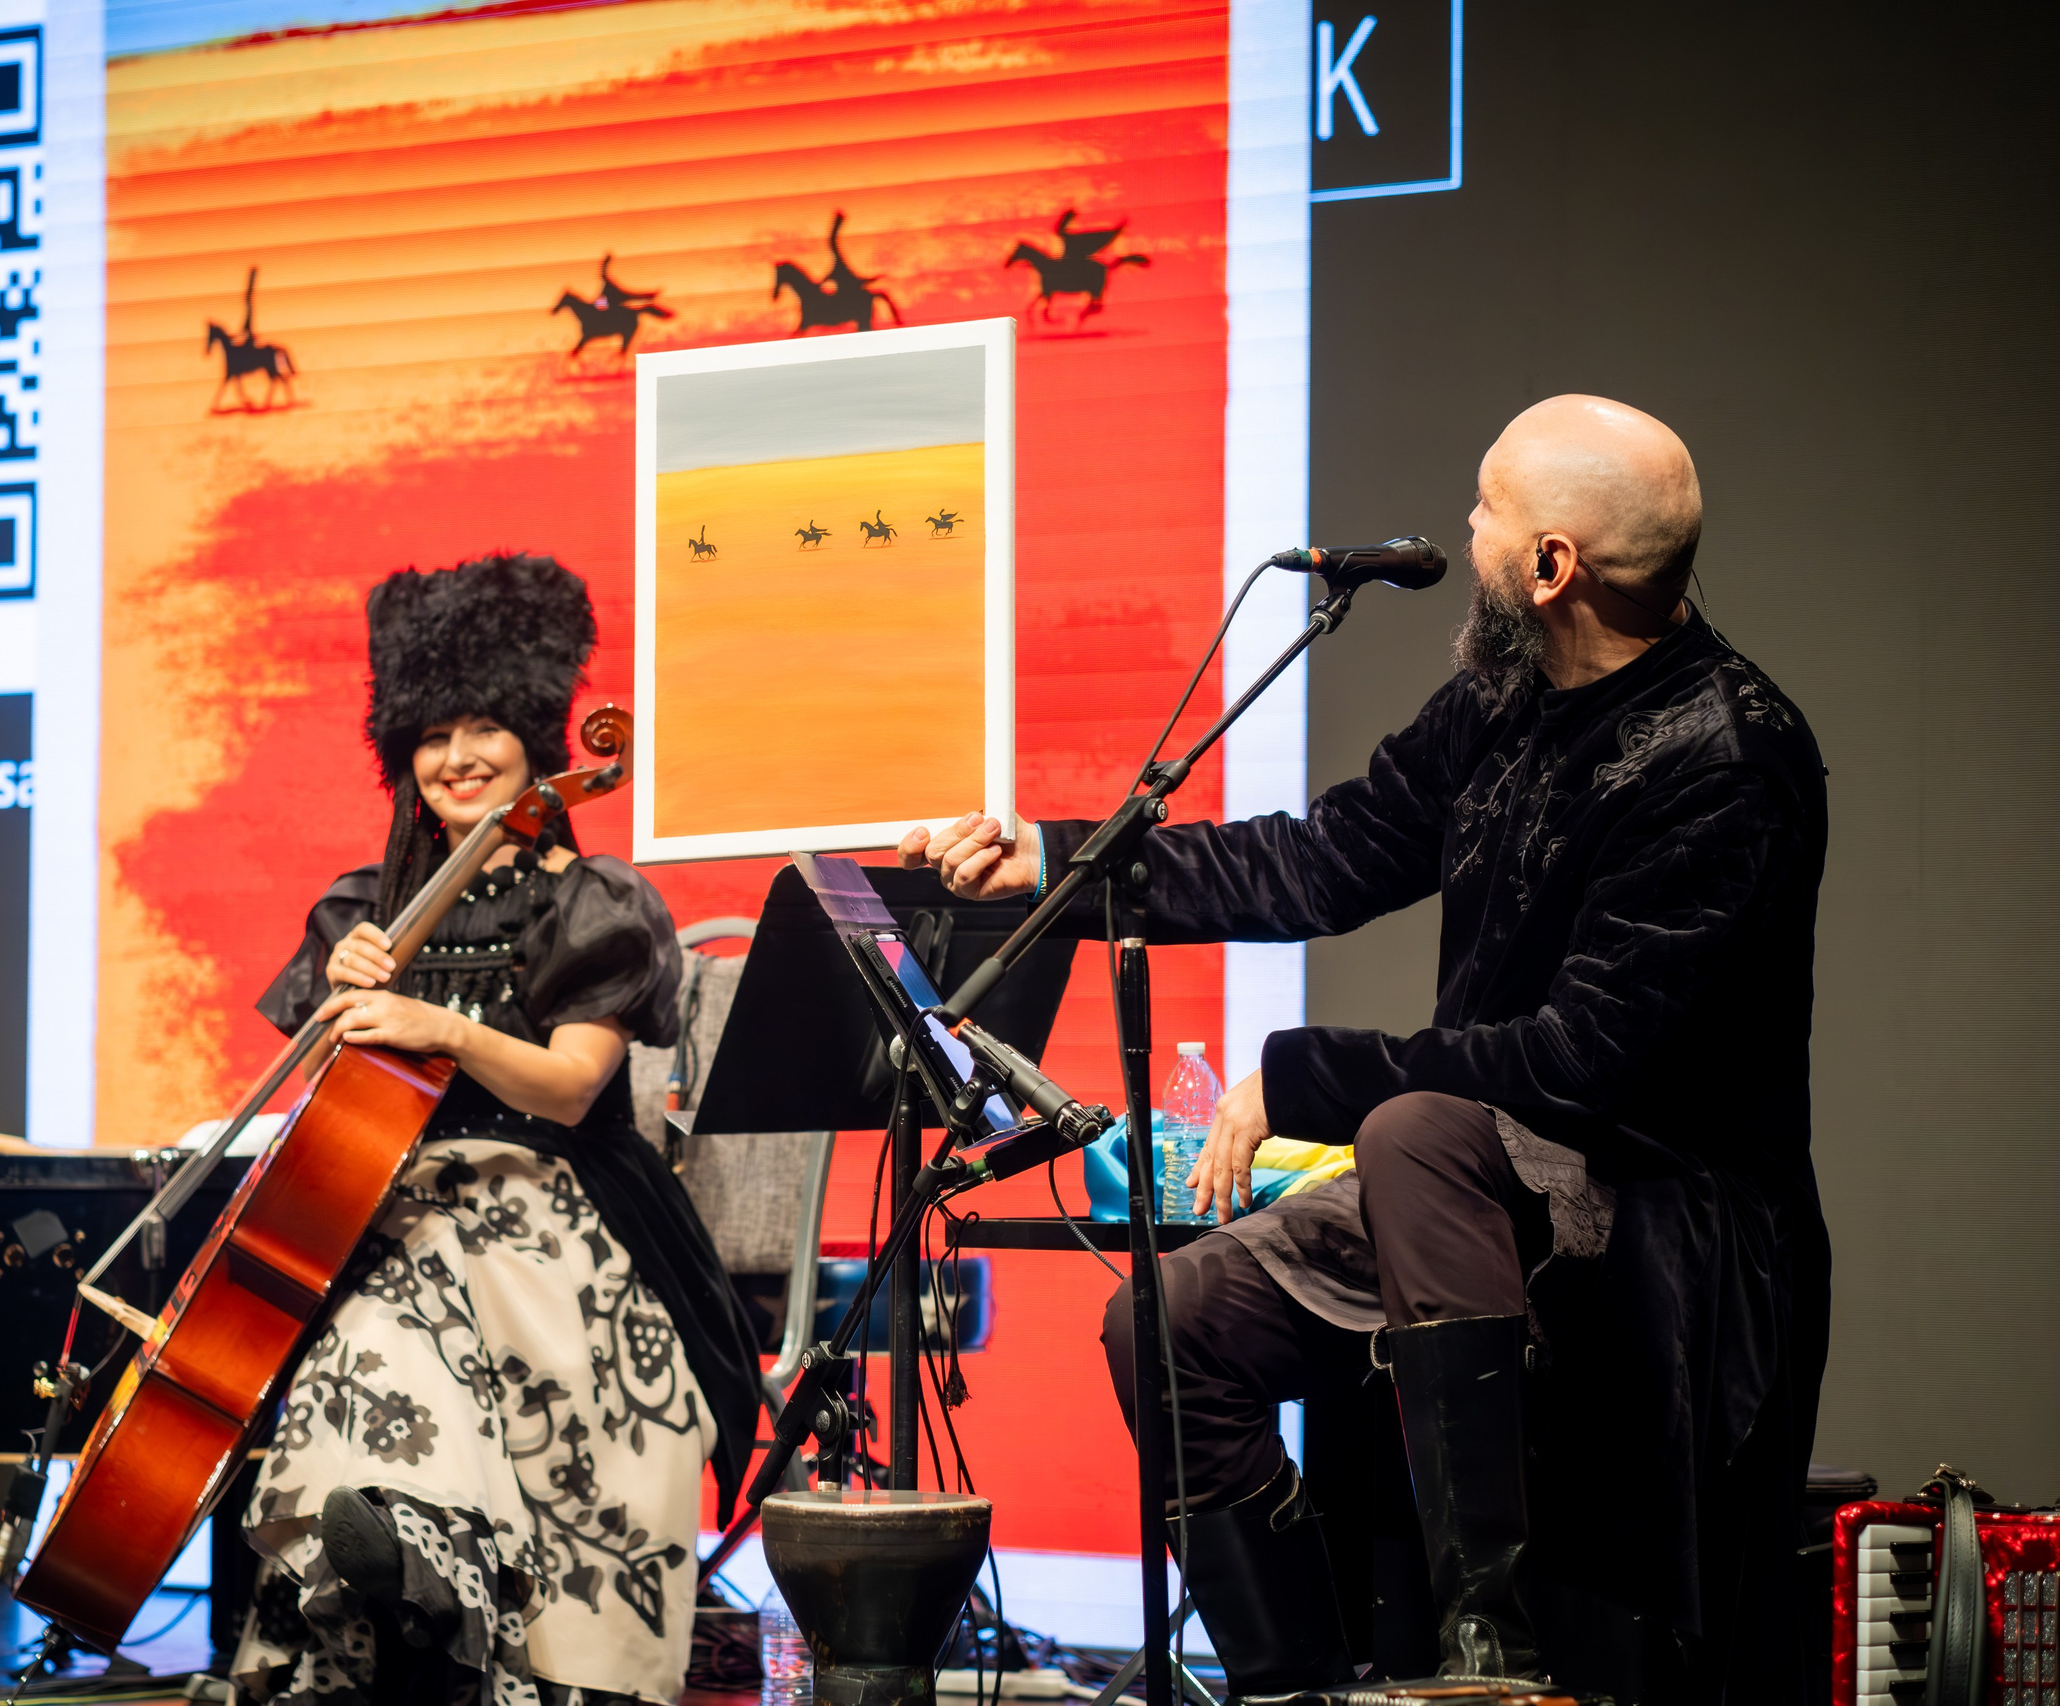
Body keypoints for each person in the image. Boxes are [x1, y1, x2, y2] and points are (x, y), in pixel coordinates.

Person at [902, 396, 1829, 1693]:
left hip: (1662, 1216)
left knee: (1410, 1124)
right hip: (1470, 1182)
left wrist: (1306, 1071)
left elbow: (1581, 1064)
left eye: (1487, 511)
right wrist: (1058, 855)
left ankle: (1484, 1646)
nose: (1465, 526)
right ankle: (1298, 1679)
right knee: (1169, 1324)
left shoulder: (1729, 759)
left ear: (1552, 566)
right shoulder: (1506, 696)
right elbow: (1326, 855)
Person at [231, 553, 762, 1706]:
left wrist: (437, 1024)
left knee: (419, 1281)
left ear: (534, 738)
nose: (457, 756)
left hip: (562, 1203)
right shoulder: (361, 909)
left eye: (484, 727)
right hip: (399, 1202)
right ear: (400, 757)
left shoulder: (593, 898)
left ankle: (443, 1588)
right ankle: (400, 1561)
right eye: (430, 734)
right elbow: (324, 1103)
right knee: (370, 1302)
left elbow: (572, 1088)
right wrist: (342, 1001)